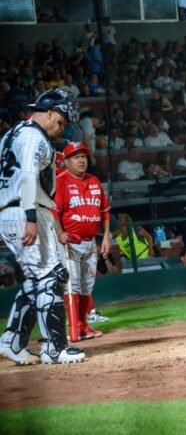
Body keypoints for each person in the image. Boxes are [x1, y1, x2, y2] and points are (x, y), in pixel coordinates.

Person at [0, 89, 86, 365]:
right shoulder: (33, 136)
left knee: (38, 280)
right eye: (60, 121)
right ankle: (54, 348)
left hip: (13, 208)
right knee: (51, 276)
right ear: (48, 112)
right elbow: (26, 176)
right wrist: (31, 218)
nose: (61, 129)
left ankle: (12, 341)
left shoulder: (11, 134)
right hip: (26, 208)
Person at [51, 142, 111, 342]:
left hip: (90, 241)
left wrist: (106, 236)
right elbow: (54, 211)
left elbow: (104, 210)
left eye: (83, 156)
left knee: (87, 285)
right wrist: (60, 232)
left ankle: (83, 325)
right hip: (69, 243)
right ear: (66, 161)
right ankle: (75, 326)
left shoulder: (94, 181)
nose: (81, 160)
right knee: (73, 285)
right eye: (76, 157)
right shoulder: (61, 181)